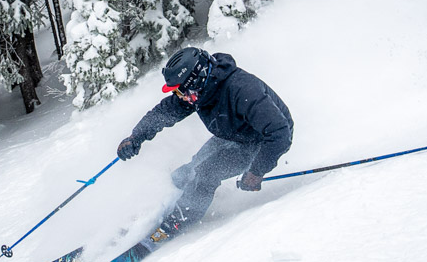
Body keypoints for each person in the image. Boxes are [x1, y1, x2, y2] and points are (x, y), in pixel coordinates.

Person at [116, 47, 294, 236]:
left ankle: (179, 219)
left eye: (180, 91)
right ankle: (159, 210)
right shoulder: (199, 92)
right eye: (176, 92)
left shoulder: (242, 90)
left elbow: (280, 133)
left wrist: (256, 171)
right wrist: (136, 137)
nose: (180, 97)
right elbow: (165, 112)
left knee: (206, 173)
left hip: (260, 142)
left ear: (196, 79)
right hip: (233, 134)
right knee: (186, 172)